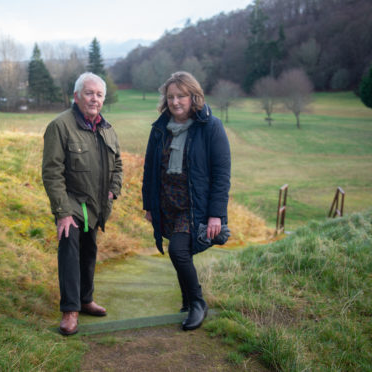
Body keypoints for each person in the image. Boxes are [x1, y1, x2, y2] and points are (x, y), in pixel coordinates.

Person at [142, 71, 231, 331]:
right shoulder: (160, 128)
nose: (175, 101)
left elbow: (221, 174)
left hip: (194, 206)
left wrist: (216, 215)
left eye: (181, 96)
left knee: (178, 251)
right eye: (170, 96)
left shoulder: (211, 127)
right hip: (167, 204)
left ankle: (197, 303)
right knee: (179, 252)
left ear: (194, 96)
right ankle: (186, 299)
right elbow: (149, 168)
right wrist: (149, 205)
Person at [42, 72, 123, 336]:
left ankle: (86, 300)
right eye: (89, 93)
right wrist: (62, 212)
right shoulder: (60, 126)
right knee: (70, 252)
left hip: (96, 205)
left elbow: (118, 165)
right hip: (71, 203)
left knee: (89, 252)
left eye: (99, 94)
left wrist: (113, 191)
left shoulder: (107, 129)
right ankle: (70, 310)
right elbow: (52, 172)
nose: (94, 99)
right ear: (76, 96)